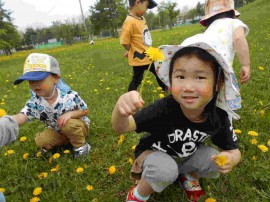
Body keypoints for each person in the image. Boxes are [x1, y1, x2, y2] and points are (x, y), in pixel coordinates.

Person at [112, 34, 241, 202]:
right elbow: (121, 128)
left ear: (219, 83)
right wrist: (120, 111)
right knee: (165, 169)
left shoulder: (219, 116)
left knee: (214, 159)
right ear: (170, 82)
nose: (188, 87)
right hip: (154, 156)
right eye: (180, 77)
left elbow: (233, 150)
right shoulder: (163, 109)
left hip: (186, 157)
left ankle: (187, 176)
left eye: (200, 77)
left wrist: (231, 159)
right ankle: (138, 194)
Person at [0, 53, 91, 158]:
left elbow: (85, 110)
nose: (34, 84)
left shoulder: (69, 96)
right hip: (58, 131)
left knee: (68, 125)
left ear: (56, 78)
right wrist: (7, 123)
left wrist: (70, 114)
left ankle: (81, 146)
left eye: (39, 79)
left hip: (78, 128)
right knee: (40, 140)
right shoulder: (35, 103)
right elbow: (21, 116)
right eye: (31, 81)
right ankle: (66, 141)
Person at [200, 0, 250, 118]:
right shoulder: (234, 23)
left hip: (204, 62)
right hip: (221, 64)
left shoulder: (210, 28)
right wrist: (245, 64)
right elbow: (239, 38)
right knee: (224, 94)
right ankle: (226, 122)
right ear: (232, 12)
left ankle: (204, 116)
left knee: (208, 92)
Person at [120, 0, 168, 92]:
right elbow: (124, 41)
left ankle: (165, 90)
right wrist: (130, 50)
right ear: (138, 3)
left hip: (149, 55)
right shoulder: (129, 22)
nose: (147, 10)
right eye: (146, 6)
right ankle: (130, 95)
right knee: (137, 79)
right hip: (139, 58)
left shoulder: (141, 18)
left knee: (159, 72)